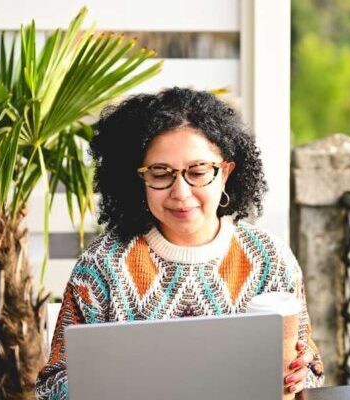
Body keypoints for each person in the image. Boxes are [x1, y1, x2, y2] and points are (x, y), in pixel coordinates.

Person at [35, 87, 324, 399]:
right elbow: (52, 384)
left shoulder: (271, 259)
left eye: (198, 172)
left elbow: (311, 369)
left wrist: (300, 373)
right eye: (160, 174)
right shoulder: (101, 266)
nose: (181, 192)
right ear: (137, 179)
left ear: (225, 173)